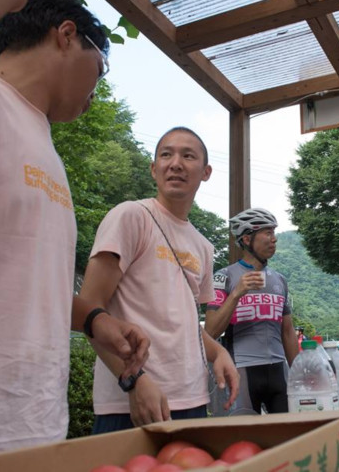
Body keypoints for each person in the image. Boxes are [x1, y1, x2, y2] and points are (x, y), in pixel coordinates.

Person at [0, 0, 149, 462]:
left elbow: (19, 281)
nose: (97, 90)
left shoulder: (41, 142)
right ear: (65, 35)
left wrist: (93, 320)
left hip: (35, 432)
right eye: (100, 68)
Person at [79, 127, 239, 432]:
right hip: (133, 401)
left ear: (205, 172)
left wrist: (218, 352)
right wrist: (133, 381)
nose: (175, 163)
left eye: (188, 155)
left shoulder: (203, 246)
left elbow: (188, 326)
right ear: (154, 169)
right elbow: (88, 311)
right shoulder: (130, 217)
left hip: (191, 400)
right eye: (166, 154)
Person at [205, 208, 299, 414]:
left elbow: (288, 332)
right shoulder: (224, 277)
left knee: (287, 436)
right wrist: (237, 292)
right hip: (242, 369)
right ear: (247, 239)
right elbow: (210, 331)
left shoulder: (279, 279)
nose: (274, 239)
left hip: (278, 370)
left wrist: (300, 371)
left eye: (274, 233)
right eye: (268, 233)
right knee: (245, 440)